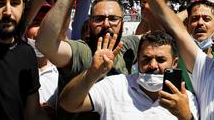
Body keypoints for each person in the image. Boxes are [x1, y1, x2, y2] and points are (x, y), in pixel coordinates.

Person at [59, 30, 198, 120]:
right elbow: (68, 103)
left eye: (161, 60)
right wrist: (91, 73)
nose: (153, 65)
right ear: (138, 59)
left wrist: (185, 116)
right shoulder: (115, 86)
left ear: (174, 63)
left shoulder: (186, 99)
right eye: (146, 59)